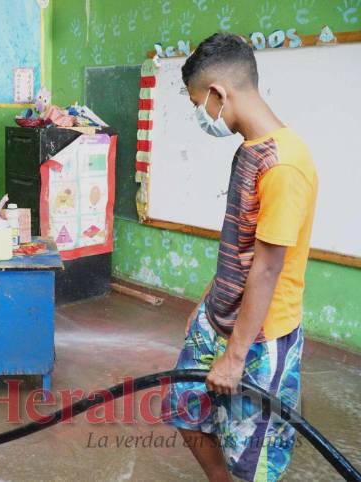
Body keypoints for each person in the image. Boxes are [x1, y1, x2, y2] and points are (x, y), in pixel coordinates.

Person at [163, 33, 318, 481]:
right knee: (184, 409)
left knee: (253, 457)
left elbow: (267, 269)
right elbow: (240, 243)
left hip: (261, 335)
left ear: (218, 93)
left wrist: (234, 356)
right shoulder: (249, 149)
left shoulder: (284, 165)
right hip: (218, 317)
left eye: (198, 104)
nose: (201, 114)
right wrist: (207, 302)